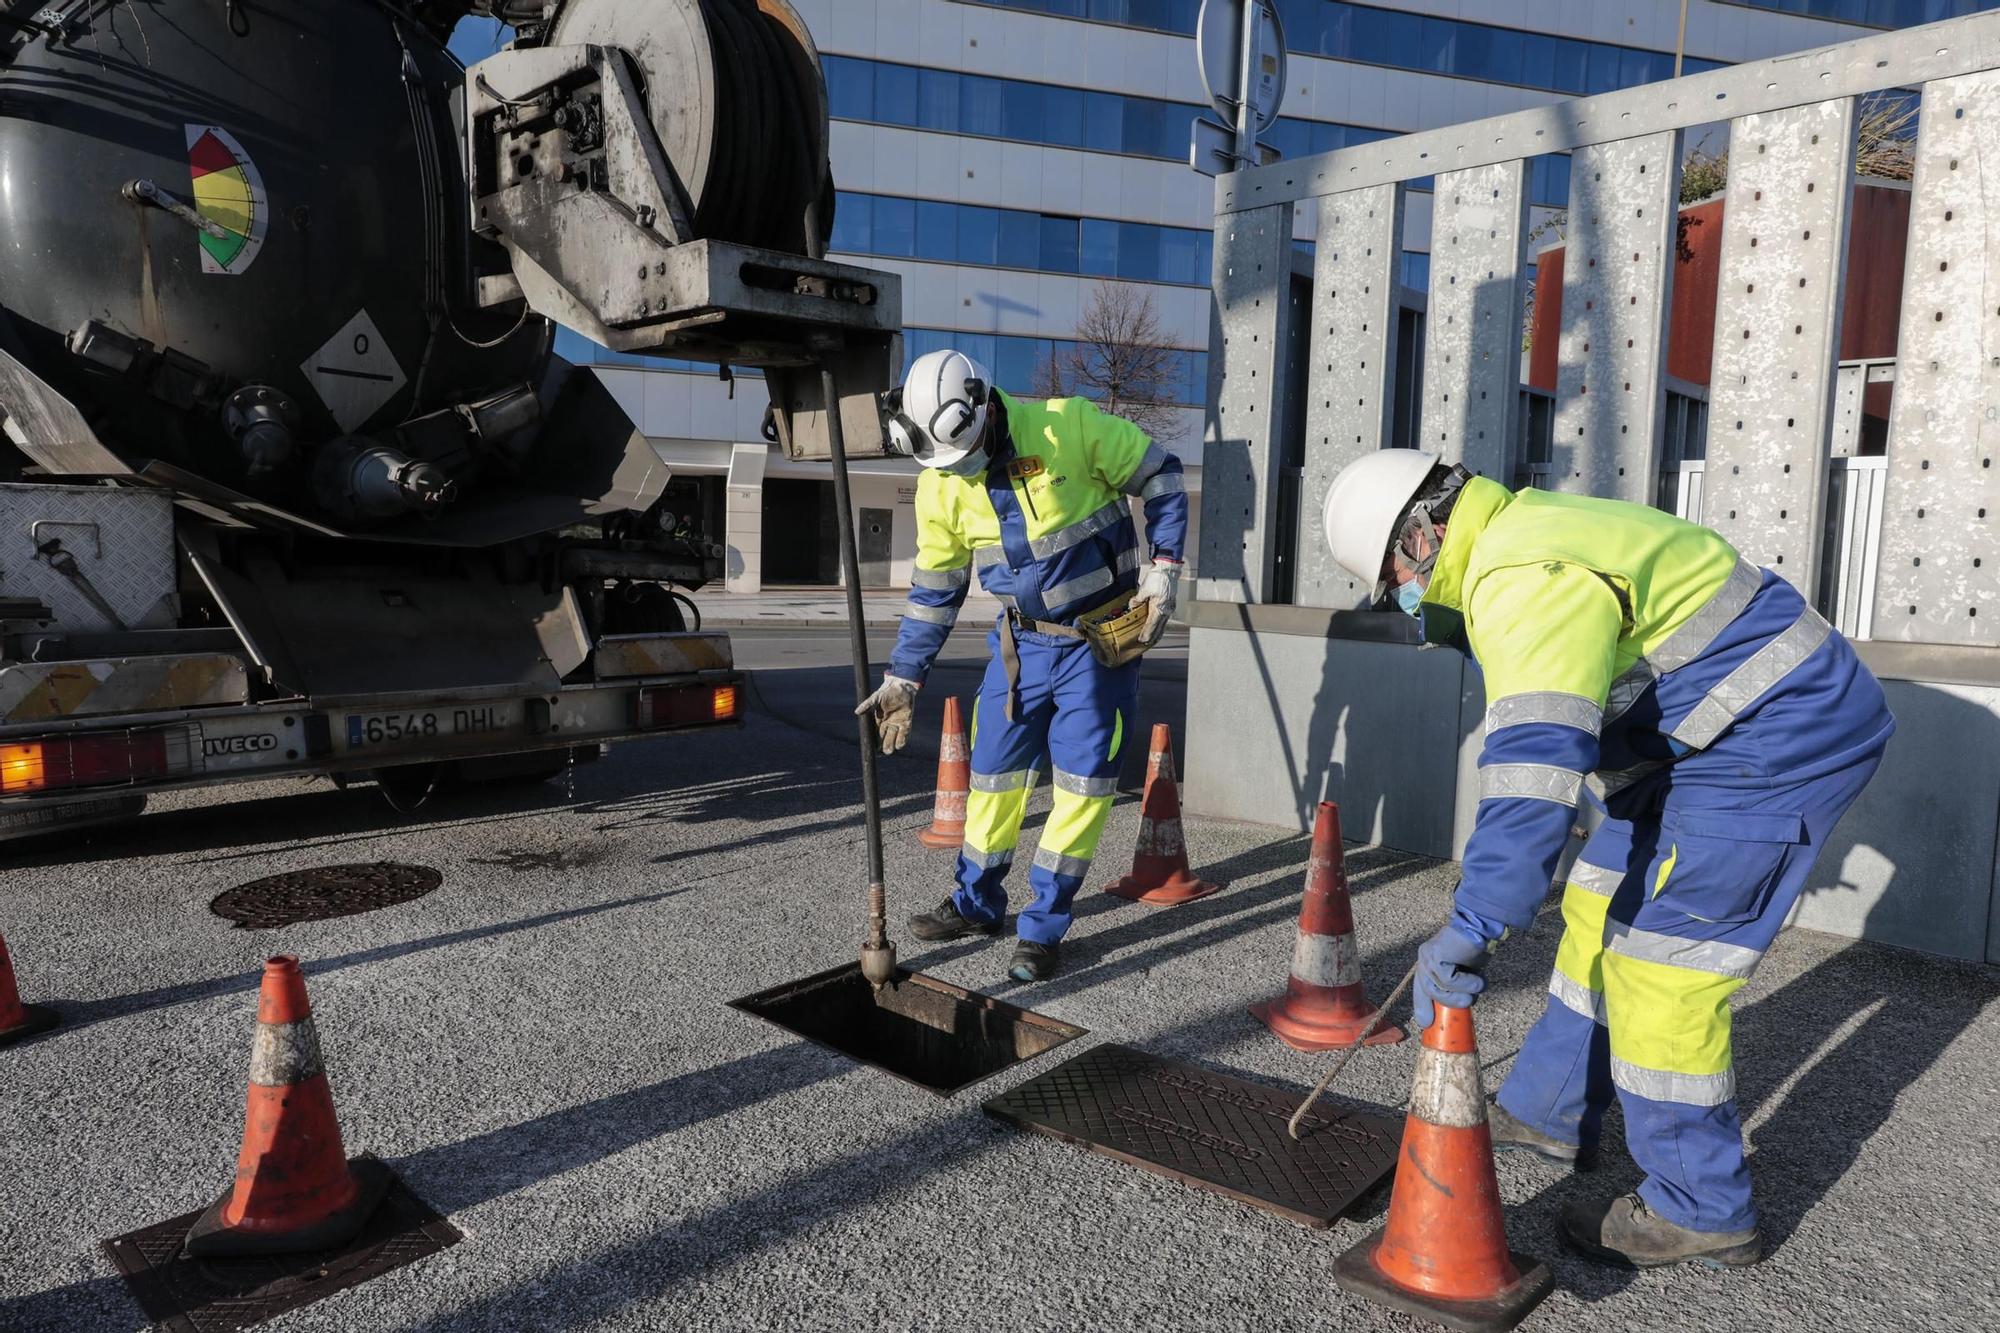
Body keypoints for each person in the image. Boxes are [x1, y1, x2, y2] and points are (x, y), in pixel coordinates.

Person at [1320, 448, 1893, 1270]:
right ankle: (1548, 1110)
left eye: (1395, 576)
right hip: (1692, 746)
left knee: (1664, 966)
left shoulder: (1519, 576)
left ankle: (1700, 1205)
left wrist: (1473, 923)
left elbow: (1531, 777)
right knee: (1594, 909)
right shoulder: (1518, 536)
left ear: (1422, 532)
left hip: (1776, 739)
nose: (1406, 601)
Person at [855, 349, 1188, 982]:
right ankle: (977, 903)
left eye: (966, 451)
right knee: (992, 778)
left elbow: (1163, 476)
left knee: (1082, 787)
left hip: (1098, 648)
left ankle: (1042, 929)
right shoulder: (939, 482)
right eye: (946, 463)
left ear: (981, 406)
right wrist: (905, 674)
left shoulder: (1071, 426)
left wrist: (1165, 567)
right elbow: (934, 591)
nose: (963, 470)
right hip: (1020, 649)